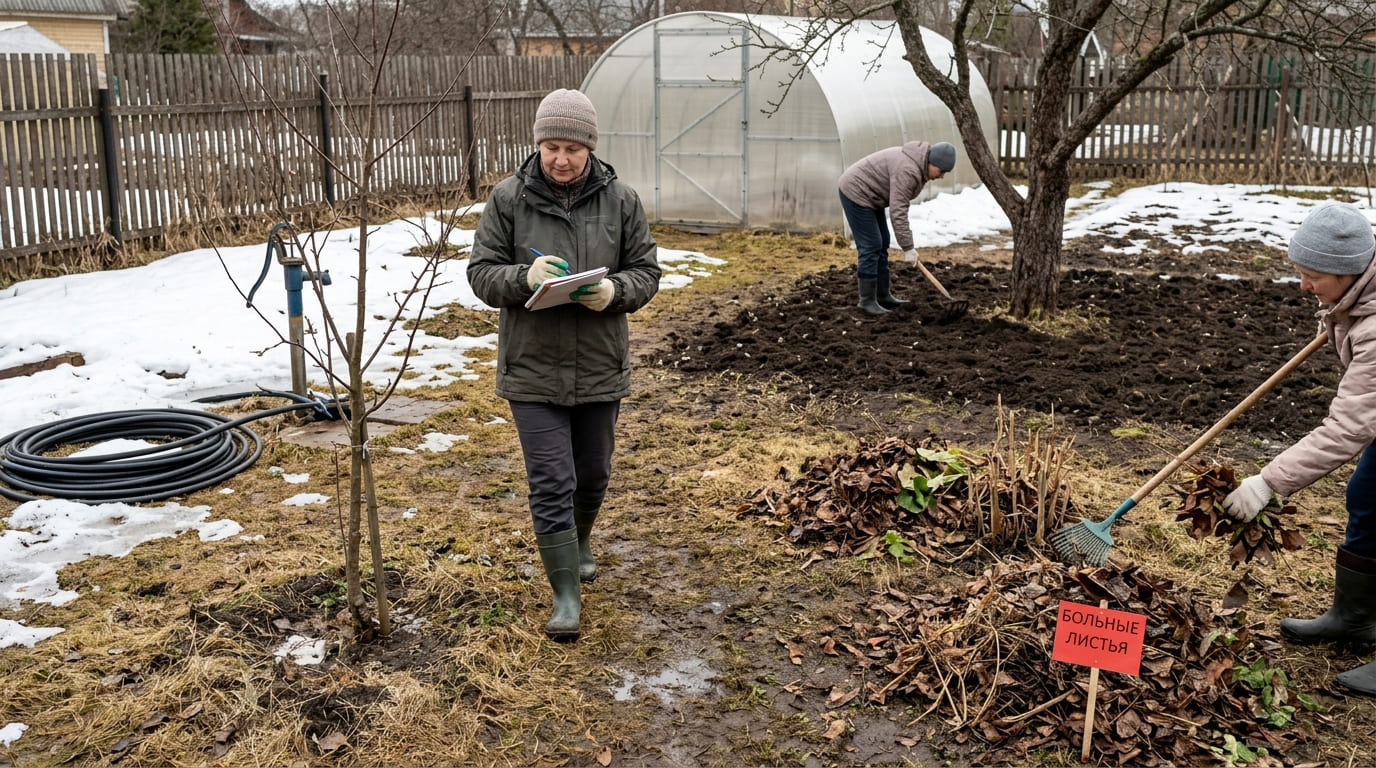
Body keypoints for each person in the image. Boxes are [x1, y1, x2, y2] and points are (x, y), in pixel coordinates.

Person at [467, 88, 661, 642]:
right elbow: (481, 273)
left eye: (572, 149)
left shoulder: (621, 201)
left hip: (599, 363)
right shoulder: (509, 199)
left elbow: (646, 272)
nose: (560, 159)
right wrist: (521, 277)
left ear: (590, 148)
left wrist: (615, 291)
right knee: (552, 479)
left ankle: (580, 540)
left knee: (593, 471)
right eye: (551, 147)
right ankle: (565, 594)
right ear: (538, 144)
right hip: (532, 366)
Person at [1222, 201, 1376, 695]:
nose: (1303, 286)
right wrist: (1337, 317)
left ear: (1348, 272)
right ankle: (1355, 619)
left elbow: (1347, 428)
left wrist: (1267, 482)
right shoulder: (1359, 294)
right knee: (1368, 496)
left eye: (1313, 276)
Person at [837, 140, 957, 316]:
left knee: (883, 242)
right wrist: (908, 247)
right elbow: (898, 211)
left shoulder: (919, 165)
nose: (942, 176)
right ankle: (867, 302)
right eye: (941, 171)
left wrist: (907, 245)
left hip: (873, 195)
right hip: (856, 191)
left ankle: (883, 295)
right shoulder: (908, 170)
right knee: (871, 245)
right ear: (931, 162)